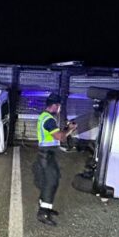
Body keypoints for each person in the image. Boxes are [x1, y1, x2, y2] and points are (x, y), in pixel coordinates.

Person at [33, 93, 77, 226]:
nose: (60, 109)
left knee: (52, 179)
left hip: (46, 154)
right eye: (59, 106)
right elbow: (60, 137)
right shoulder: (49, 120)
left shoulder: (45, 117)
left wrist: (65, 129)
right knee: (51, 182)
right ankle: (43, 214)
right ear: (54, 105)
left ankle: (46, 207)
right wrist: (70, 129)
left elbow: (54, 134)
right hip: (48, 154)